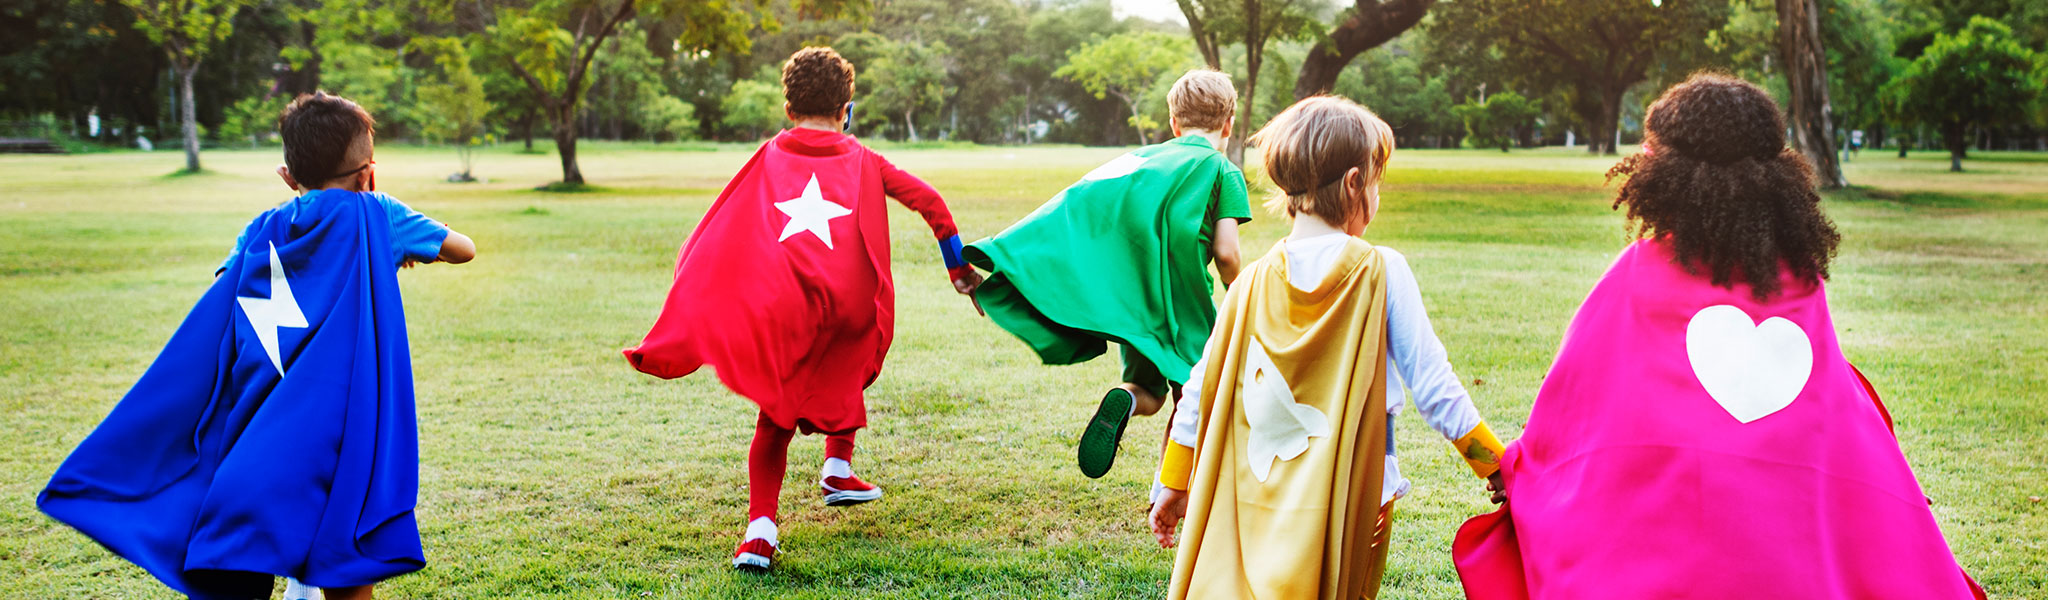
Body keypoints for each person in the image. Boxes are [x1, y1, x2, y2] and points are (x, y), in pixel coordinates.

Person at [1451, 73, 1985, 600]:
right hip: (1789, 542)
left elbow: (1575, 402)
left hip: (1666, 543)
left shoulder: (1639, 272)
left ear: (1669, 171)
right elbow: (1835, 412)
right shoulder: (1800, 280)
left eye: (1650, 148)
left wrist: (1521, 464)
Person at [39, 91, 476, 600]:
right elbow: (463, 249)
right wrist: (378, 222)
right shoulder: (379, 215)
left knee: (246, 555)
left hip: (260, 435)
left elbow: (228, 287)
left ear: (288, 176)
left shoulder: (260, 229)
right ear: (367, 172)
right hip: (341, 440)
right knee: (345, 562)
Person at [622, 47, 980, 572]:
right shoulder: (867, 160)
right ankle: (837, 466)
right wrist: (958, 271)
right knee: (848, 359)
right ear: (846, 108)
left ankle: (760, 532)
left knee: (776, 418)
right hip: (849, 309)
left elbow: (722, 226)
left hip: (785, 310)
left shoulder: (769, 155)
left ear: (788, 109)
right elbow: (934, 205)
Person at [1145, 96, 1508, 600]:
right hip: (1350, 502)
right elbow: (1434, 387)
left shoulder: (1250, 282)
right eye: (1377, 182)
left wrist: (1175, 480)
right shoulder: (1382, 271)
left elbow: (1201, 388)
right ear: (1356, 182)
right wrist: (1496, 464)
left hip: (1258, 493)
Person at [963, 70, 1251, 478]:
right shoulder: (1222, 170)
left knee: (1149, 391)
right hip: (1184, 303)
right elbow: (1226, 250)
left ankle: (1123, 398)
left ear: (1173, 122)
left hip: (1136, 305)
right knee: (1199, 400)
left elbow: (1077, 204)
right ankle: (1176, 491)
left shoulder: (1143, 160)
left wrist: (1002, 255)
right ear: (1229, 123)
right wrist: (1240, 292)